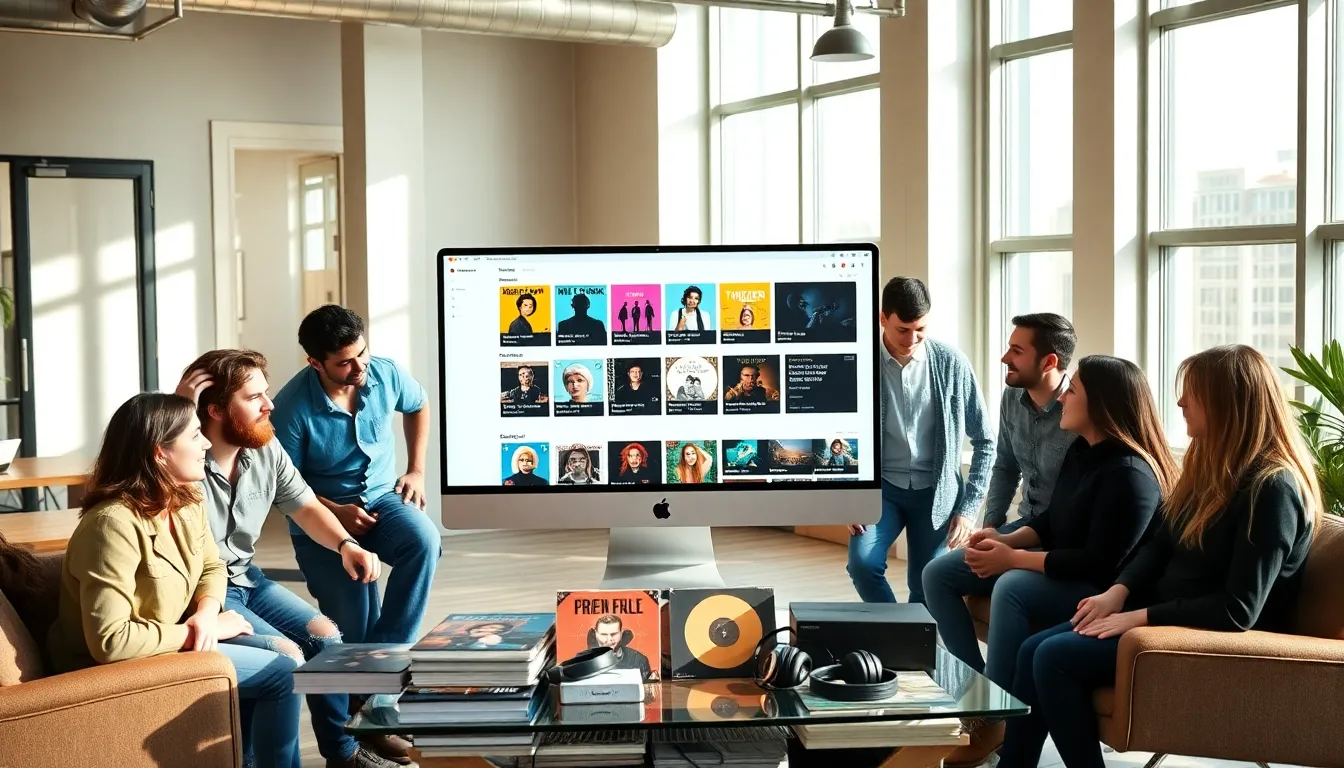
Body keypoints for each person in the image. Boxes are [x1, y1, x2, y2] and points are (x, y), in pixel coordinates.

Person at [999, 345, 1323, 768]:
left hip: (1212, 640)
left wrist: (1137, 618)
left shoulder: (1272, 488)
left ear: (1227, 403)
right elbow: (1161, 544)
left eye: (1192, 393)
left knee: (1053, 658)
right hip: (1166, 616)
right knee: (1031, 650)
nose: (1179, 402)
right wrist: (1118, 592)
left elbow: (1238, 610)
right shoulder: (1210, 466)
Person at [921, 355, 1177, 767]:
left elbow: (1098, 564)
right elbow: (1052, 519)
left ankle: (994, 717)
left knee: (1013, 587)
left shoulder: (1130, 475)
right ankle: (976, 696)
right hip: (1065, 565)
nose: (1063, 399)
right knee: (938, 573)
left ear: (1101, 406)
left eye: (1072, 390)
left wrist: (1014, 560)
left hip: (1102, 589)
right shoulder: (1082, 449)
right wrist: (1004, 537)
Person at [175, 350, 407, 768]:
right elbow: (134, 469)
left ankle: (343, 754)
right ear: (213, 410)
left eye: (265, 393)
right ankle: (245, 760)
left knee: (327, 639)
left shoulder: (265, 449)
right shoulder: (179, 462)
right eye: (254, 397)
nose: (270, 404)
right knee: (283, 657)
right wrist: (177, 412)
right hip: (202, 595)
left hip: (248, 580)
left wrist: (345, 545)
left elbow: (305, 507)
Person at [47, 393, 301, 768]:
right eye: (195, 435)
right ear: (159, 453)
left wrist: (206, 612)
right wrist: (194, 633)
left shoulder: (185, 499)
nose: (208, 443)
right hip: (107, 671)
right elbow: (110, 643)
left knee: (285, 654)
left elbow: (211, 567)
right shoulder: (112, 525)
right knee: (283, 674)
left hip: (163, 642)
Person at [270, 306, 441, 652]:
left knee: (424, 540)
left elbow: (418, 405)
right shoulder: (290, 409)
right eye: (345, 362)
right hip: (318, 517)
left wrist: (417, 470)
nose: (360, 366)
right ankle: (343, 702)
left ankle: (385, 660)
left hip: (383, 500)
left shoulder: (385, 372)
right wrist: (335, 511)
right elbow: (281, 487)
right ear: (315, 363)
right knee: (348, 632)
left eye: (362, 352)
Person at [847, 276, 994, 605]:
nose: (912, 339)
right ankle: (896, 634)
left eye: (921, 329)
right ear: (882, 318)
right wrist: (845, 494)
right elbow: (832, 430)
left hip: (936, 493)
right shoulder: (856, 361)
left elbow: (985, 440)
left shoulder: (952, 363)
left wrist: (968, 510)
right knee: (863, 564)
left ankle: (913, 653)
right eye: (903, 330)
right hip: (880, 490)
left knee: (926, 584)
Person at [982, 313, 1079, 534]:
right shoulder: (1011, 397)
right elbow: (1005, 466)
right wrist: (990, 527)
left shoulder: (1080, 410)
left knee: (1006, 571)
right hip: (1024, 522)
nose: (1005, 358)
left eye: (1017, 351)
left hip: (1062, 532)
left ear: (1049, 363)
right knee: (938, 570)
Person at [591, 614, 653, 680]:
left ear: (621, 633)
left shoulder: (638, 660)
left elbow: (646, 688)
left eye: (614, 634)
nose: (609, 639)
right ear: (596, 634)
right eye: (604, 634)